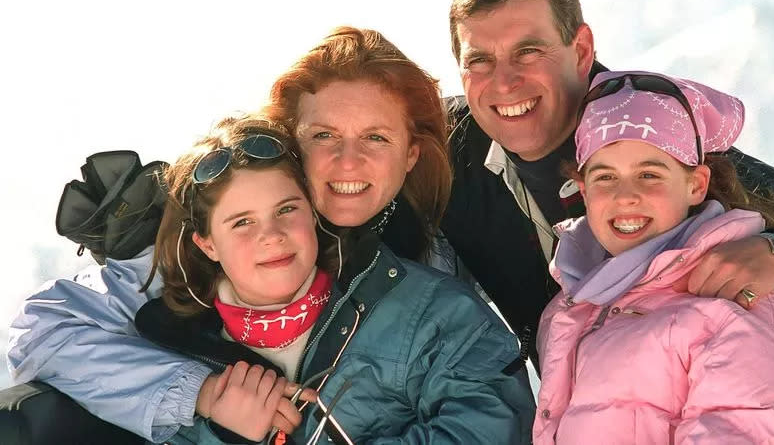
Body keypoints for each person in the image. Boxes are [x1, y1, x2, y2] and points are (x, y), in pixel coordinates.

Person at [7, 27, 534, 443]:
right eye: (324, 136)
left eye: (375, 137)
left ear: (410, 152)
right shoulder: (211, 250)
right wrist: (199, 393)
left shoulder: (434, 271)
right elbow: (43, 330)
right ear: (289, 141)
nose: (348, 161)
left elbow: (485, 410)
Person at [440, 0, 774, 366]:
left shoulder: (650, 127)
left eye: (528, 52)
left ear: (580, 50)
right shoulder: (446, 154)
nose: (504, 82)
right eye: (479, 61)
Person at [139, 114, 533, 444]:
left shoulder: (434, 310)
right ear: (207, 244)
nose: (272, 235)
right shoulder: (181, 362)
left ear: (313, 210)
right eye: (242, 222)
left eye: (286, 209)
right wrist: (227, 436)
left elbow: (496, 429)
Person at [532, 70, 774, 443]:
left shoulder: (731, 305)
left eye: (649, 175)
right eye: (605, 177)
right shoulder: (573, 306)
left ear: (695, 184)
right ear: (583, 191)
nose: (625, 195)